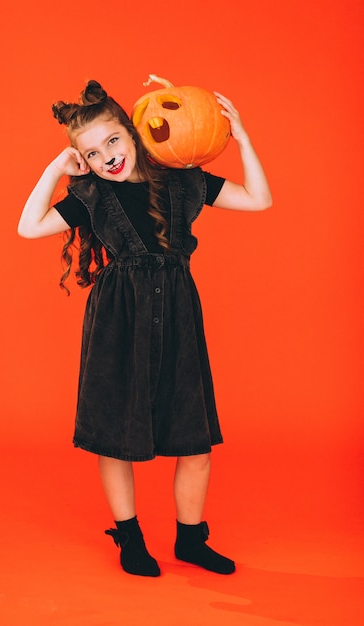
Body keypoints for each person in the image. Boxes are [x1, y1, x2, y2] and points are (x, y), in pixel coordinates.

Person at [18, 79, 272, 578]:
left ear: (133, 133)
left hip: (177, 315)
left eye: (112, 141)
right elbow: (28, 226)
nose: (107, 157)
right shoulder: (90, 195)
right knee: (116, 437)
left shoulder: (184, 180)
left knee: (195, 441)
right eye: (90, 154)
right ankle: (129, 537)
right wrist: (54, 169)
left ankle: (190, 539)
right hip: (117, 322)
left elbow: (259, 199)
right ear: (83, 162)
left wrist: (240, 136)